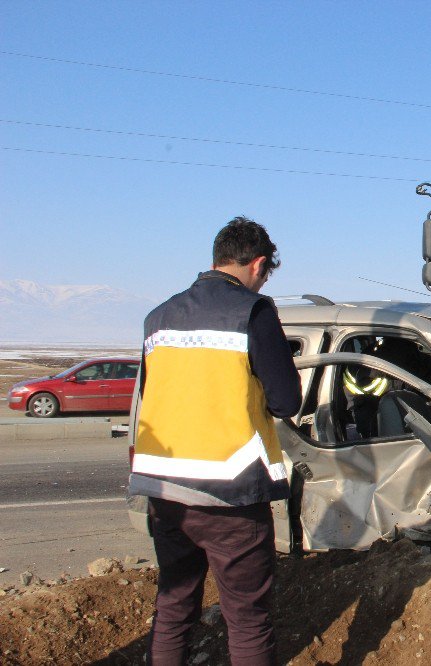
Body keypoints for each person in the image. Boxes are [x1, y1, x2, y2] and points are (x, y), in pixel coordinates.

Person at [129, 217, 302, 666]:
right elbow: (286, 401)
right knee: (247, 620)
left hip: (164, 490)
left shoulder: (159, 316)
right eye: (265, 274)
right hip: (231, 492)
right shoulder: (253, 311)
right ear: (259, 264)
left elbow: (155, 394)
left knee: (173, 607)